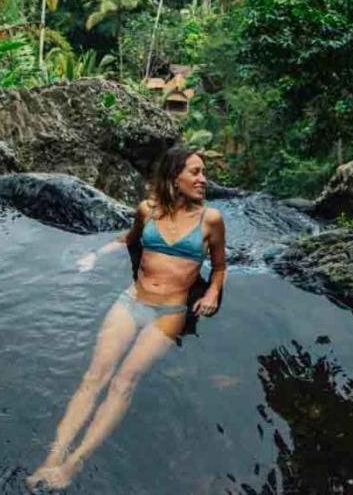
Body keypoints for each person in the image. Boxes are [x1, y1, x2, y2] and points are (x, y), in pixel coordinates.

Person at [26, 147, 226, 490]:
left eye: (203, 172)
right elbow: (128, 241)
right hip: (132, 299)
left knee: (123, 381)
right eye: (195, 172)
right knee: (95, 376)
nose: (202, 179)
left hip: (170, 312)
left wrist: (211, 293)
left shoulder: (211, 220)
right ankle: (51, 459)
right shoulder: (147, 210)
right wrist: (94, 256)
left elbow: (220, 267)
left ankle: (72, 466)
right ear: (174, 176)